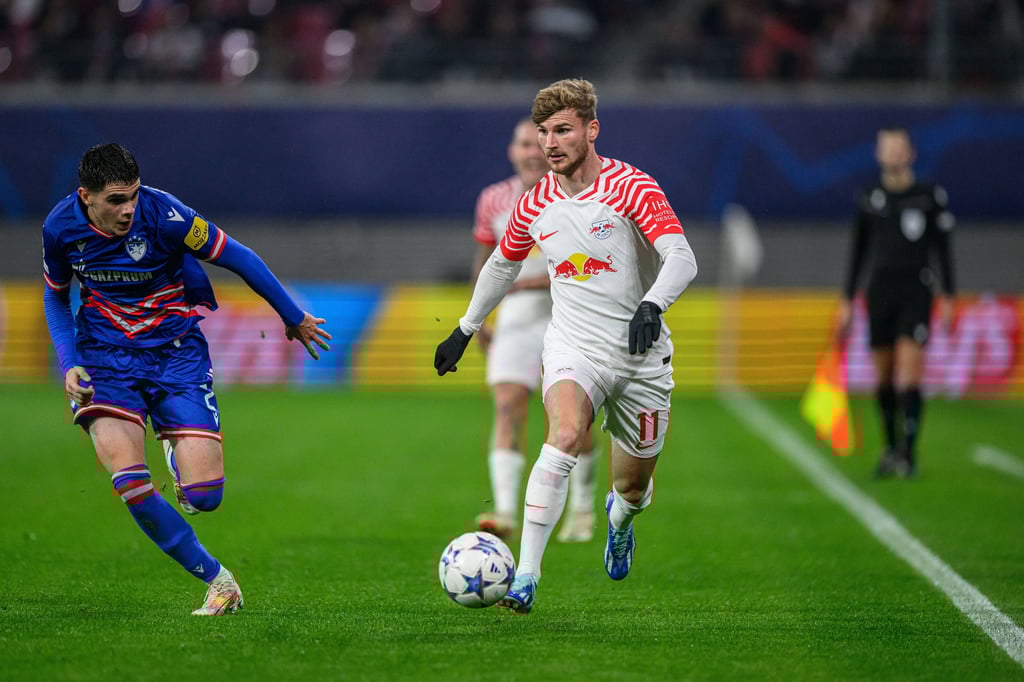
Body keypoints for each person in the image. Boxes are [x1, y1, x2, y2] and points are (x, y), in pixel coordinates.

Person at [434, 79, 698, 614]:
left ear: (591, 129)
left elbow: (682, 257)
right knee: (565, 435)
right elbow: (502, 266)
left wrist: (653, 305)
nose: (549, 143)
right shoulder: (535, 203)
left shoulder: (632, 188)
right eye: (543, 133)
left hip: (642, 358)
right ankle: (526, 575)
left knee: (632, 488)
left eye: (562, 130)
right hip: (574, 347)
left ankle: (619, 520)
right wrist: (464, 327)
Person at [42, 143, 331, 615]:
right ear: (86, 196)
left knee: (205, 496)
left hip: (176, 355)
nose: (128, 208)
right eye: (115, 200)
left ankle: (176, 453)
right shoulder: (60, 227)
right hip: (105, 359)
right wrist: (68, 362)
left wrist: (292, 315)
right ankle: (219, 581)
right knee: (129, 479)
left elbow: (238, 257)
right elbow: (56, 296)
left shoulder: (168, 215)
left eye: (132, 195)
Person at [471, 117, 598, 543]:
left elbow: (588, 261)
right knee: (507, 406)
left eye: (538, 143)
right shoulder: (493, 200)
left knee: (570, 417)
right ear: (512, 150)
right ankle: (504, 512)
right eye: (524, 143)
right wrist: (479, 318)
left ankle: (581, 510)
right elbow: (485, 260)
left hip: (570, 313)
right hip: (516, 318)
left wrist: (526, 281)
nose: (532, 151)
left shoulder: (576, 195)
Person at [838, 126, 956, 478]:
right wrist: (847, 299)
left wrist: (948, 295)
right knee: (885, 378)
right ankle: (890, 448)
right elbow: (857, 253)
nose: (892, 154)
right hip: (880, 291)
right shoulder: (869, 198)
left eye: (898, 148)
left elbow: (943, 251)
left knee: (908, 374)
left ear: (909, 154)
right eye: (886, 148)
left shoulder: (929, 196)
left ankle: (908, 453)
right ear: (879, 154)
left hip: (916, 290)